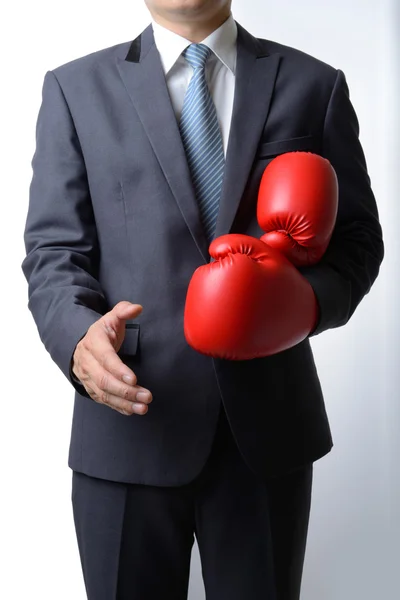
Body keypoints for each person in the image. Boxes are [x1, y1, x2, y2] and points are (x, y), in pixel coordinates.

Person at [21, 1, 384, 599]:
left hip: (268, 432)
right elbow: (54, 250)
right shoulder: (74, 88)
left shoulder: (315, 85)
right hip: (127, 420)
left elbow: (357, 242)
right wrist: (78, 338)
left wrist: (303, 305)